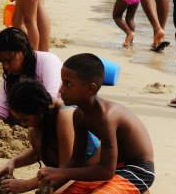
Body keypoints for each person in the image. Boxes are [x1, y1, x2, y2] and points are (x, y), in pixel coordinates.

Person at [36, 54, 156, 194]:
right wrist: (54, 183)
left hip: (138, 170)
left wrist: (62, 173)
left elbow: (106, 171)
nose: (61, 90)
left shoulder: (107, 117)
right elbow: (76, 160)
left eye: (68, 84)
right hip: (115, 167)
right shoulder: (79, 115)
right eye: (62, 82)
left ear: (90, 89)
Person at [0, 79, 100, 193]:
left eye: (25, 119)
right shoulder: (37, 127)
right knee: (33, 134)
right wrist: (13, 162)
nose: (22, 124)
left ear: (39, 110)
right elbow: (39, 151)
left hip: (92, 171)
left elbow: (67, 166)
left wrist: (26, 185)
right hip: (71, 173)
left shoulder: (65, 114)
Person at [0, 27, 63, 127]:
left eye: (9, 60)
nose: (6, 66)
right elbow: (2, 107)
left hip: (48, 113)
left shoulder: (48, 61)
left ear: (23, 51)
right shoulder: (10, 72)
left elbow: (50, 101)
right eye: (2, 62)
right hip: (22, 114)